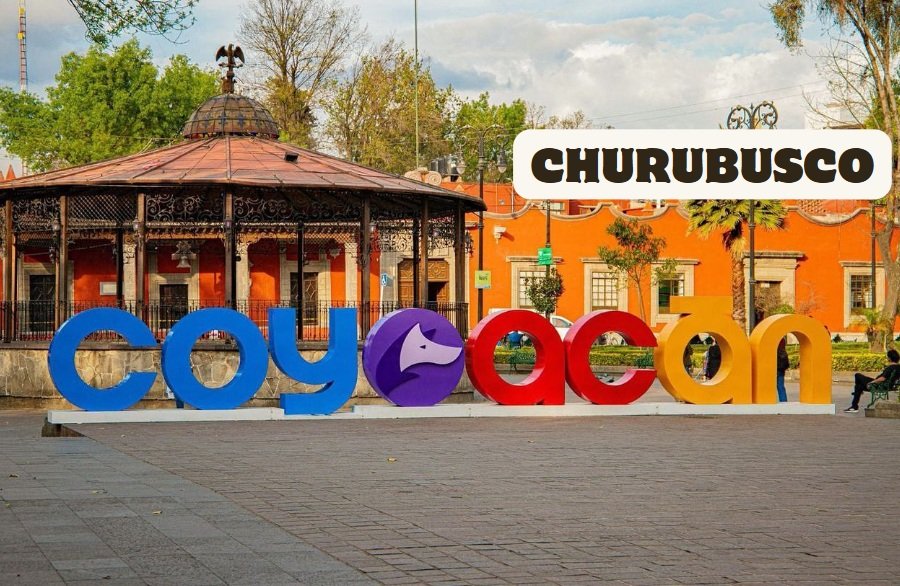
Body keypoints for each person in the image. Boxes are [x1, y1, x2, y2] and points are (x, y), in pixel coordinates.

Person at [776, 338, 789, 402]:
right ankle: (784, 402)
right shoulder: (783, 352)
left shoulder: (774, 352)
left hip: (775, 369)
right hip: (781, 370)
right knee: (780, 386)